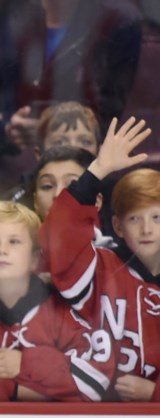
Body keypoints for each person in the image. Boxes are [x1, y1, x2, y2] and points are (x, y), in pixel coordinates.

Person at [0, 0, 142, 239]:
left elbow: (110, 113)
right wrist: (4, 130)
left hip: (85, 173)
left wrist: (71, 134)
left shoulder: (118, 21)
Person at [0, 200, 111, 401]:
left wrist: (25, 364)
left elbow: (94, 383)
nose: (1, 250)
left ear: (35, 259)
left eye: (14, 241)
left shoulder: (61, 311)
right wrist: (22, 391)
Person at [39, 115, 160, 401]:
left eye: (156, 217)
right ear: (117, 226)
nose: (146, 229)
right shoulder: (99, 268)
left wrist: (155, 393)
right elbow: (61, 239)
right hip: (88, 417)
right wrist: (99, 170)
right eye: (134, 219)